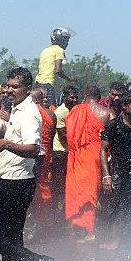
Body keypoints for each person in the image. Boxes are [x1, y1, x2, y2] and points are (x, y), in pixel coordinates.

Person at [0, 67, 55, 261]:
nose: (9, 90)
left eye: (15, 86)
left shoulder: (30, 113)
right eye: (8, 85)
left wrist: (4, 144)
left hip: (15, 183)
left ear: (27, 89)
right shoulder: (16, 110)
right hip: (11, 179)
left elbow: (34, 150)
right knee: (12, 239)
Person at [98, 92, 131, 251]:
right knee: (112, 210)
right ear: (124, 106)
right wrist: (106, 175)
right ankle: (103, 244)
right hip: (116, 173)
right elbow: (103, 150)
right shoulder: (113, 125)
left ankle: (126, 246)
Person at [64, 86, 109, 242]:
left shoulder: (76, 110)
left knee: (77, 190)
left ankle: (81, 227)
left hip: (77, 156)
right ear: (99, 97)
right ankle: (88, 228)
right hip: (96, 156)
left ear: (85, 96)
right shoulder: (105, 112)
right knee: (91, 192)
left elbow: (69, 135)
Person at [29, 87, 56, 235]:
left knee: (34, 188)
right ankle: (44, 222)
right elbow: (50, 139)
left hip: (33, 154)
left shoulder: (30, 113)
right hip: (46, 154)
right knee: (43, 186)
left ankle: (39, 223)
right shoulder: (51, 114)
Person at [50, 86, 79, 226]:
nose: (74, 99)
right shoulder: (60, 112)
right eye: (71, 97)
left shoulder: (76, 110)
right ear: (65, 97)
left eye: (75, 97)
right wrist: (73, 153)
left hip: (71, 151)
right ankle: (56, 215)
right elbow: (63, 136)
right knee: (59, 185)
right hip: (61, 152)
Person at [34, 27, 76, 105]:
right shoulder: (59, 50)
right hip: (48, 84)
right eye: (65, 40)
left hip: (37, 84)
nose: (67, 43)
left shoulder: (45, 50)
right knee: (51, 109)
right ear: (59, 39)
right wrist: (69, 78)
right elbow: (58, 71)